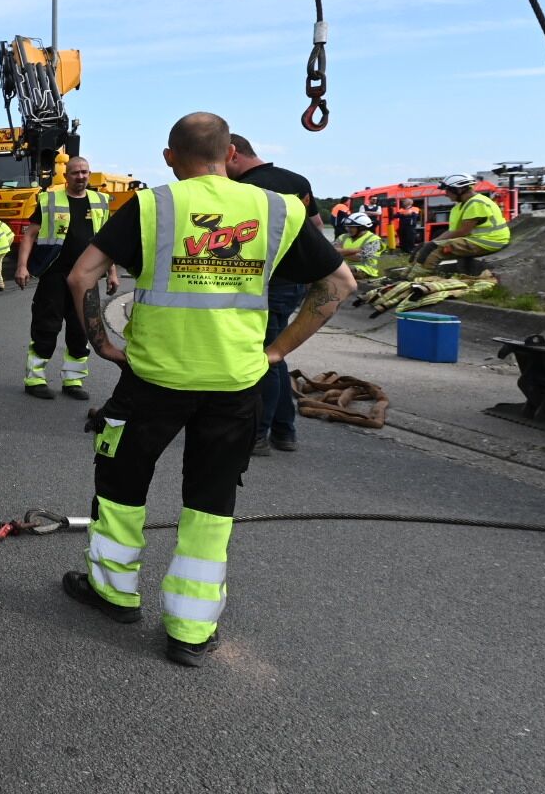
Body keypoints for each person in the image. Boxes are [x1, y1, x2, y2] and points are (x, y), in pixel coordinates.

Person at [61, 112, 354, 666]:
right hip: (235, 382)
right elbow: (338, 284)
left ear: (169, 156)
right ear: (230, 154)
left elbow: (81, 276)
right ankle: (191, 630)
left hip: (152, 379)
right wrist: (277, 351)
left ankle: (113, 593)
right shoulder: (279, 209)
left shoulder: (152, 205)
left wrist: (101, 343)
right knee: (211, 501)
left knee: (121, 484)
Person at [227, 134, 315, 455]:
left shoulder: (245, 189)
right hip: (295, 280)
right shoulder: (297, 181)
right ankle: (283, 431)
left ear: (233, 154)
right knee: (275, 353)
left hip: (268, 282)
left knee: (264, 358)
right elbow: (315, 228)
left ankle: (259, 433)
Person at [14, 157, 119, 401]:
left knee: (81, 329)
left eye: (84, 172)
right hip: (54, 275)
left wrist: (111, 273)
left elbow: (107, 243)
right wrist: (21, 266)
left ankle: (73, 380)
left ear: (89, 174)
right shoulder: (49, 200)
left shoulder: (101, 202)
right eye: (75, 173)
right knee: (46, 326)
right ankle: (35, 379)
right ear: (65, 176)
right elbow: (29, 235)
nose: (80, 177)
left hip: (86, 278)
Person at [414, 174, 511, 272]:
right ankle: (411, 274)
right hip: (479, 240)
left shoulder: (476, 203)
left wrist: (434, 244)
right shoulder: (463, 205)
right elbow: (452, 231)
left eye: (447, 190)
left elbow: (463, 231)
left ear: (459, 189)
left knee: (436, 250)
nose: (446, 194)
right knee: (428, 249)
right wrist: (431, 242)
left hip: (489, 241)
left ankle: (422, 276)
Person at [336, 212, 384, 281]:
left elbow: (360, 257)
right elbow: (332, 251)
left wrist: (339, 253)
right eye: (347, 226)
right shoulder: (342, 237)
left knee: (339, 270)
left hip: (364, 269)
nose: (347, 229)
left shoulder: (374, 240)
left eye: (351, 227)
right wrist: (356, 250)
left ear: (362, 227)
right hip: (342, 265)